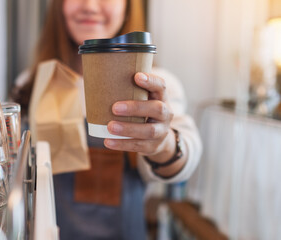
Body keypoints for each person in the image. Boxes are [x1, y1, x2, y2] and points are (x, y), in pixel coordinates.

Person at [12, 0, 202, 239]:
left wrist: (163, 143)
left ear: (128, 7)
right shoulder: (32, 84)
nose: (90, 6)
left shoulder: (155, 85)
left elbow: (187, 150)